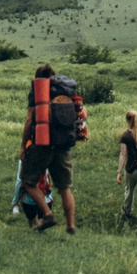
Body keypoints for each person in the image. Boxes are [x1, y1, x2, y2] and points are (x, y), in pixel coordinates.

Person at [20, 63, 86, 234]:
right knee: (64, 187)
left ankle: (48, 214)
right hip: (64, 144)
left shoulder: (38, 91)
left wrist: (23, 145)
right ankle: (71, 226)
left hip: (41, 144)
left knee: (28, 182)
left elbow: (29, 120)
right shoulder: (65, 90)